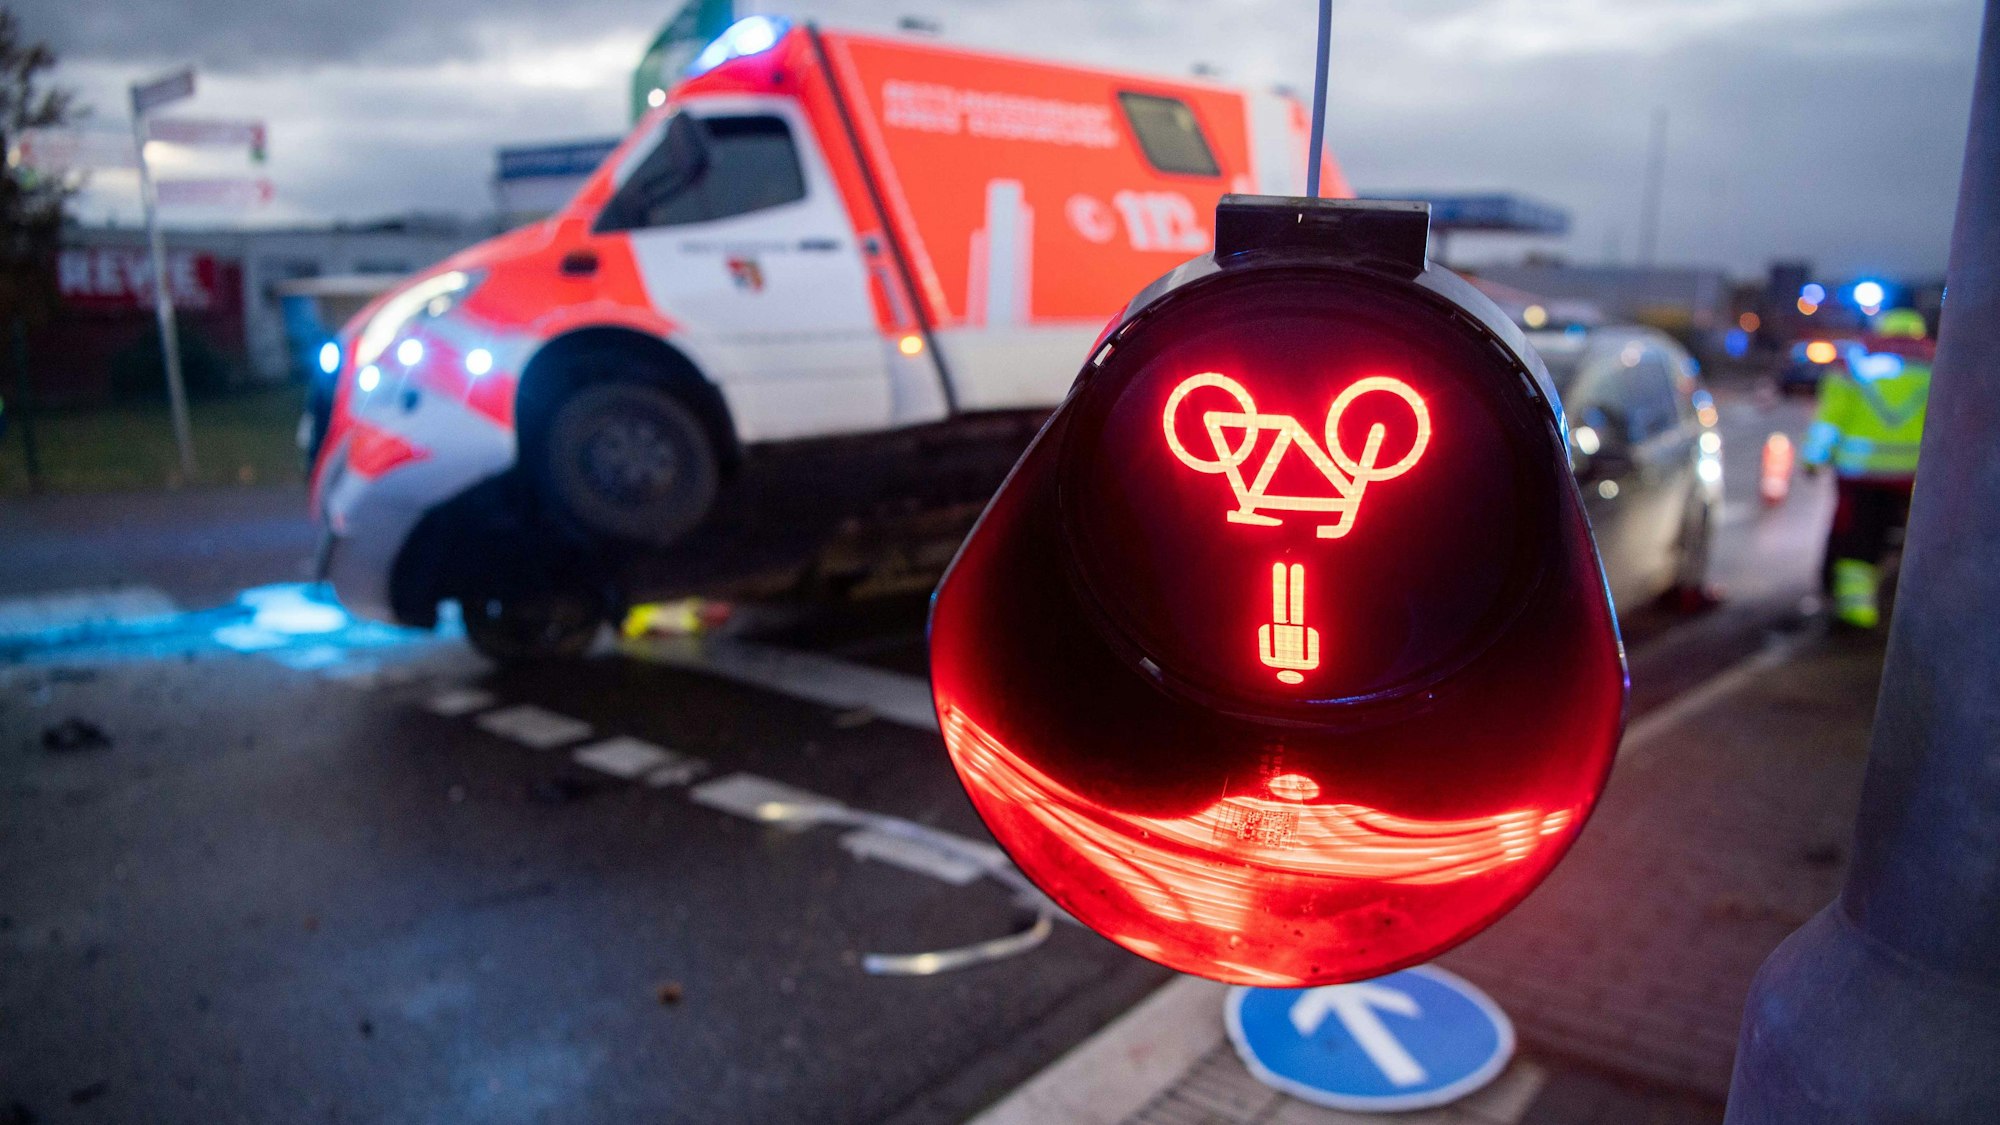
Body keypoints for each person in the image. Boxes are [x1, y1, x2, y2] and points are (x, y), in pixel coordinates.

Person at [1799, 308, 1932, 628]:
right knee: (1894, 536)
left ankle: (1853, 609)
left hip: (1859, 472)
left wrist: (1815, 458)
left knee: (1855, 536)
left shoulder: (1855, 362)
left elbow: (1832, 416)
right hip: (1909, 474)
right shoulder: (1936, 363)